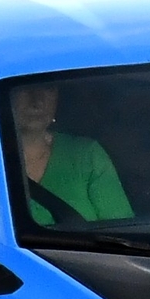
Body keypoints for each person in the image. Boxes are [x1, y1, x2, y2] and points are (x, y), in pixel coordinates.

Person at [11, 83, 132, 226]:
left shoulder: (86, 155)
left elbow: (122, 232)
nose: (37, 100)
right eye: (25, 87)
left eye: (48, 87)